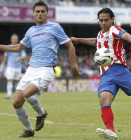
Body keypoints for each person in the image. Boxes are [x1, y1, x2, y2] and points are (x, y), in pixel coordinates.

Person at [0, 1, 80, 138]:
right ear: (33, 14)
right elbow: (18, 48)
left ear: (47, 13)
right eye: (37, 11)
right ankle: (29, 130)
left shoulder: (55, 27)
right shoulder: (31, 31)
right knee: (16, 103)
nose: (40, 14)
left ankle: (41, 113)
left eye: (43, 11)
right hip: (31, 70)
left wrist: (73, 66)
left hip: (45, 70)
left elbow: (70, 46)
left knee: (27, 93)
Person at [71, 8, 131, 140]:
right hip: (106, 73)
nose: (104, 23)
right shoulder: (101, 34)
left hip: (120, 70)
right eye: (101, 20)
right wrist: (78, 40)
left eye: (106, 20)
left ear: (112, 19)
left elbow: (126, 35)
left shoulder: (115, 30)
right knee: (103, 99)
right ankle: (110, 130)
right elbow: (95, 41)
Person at [2, 34, 27, 99]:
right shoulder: (8, 47)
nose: (14, 40)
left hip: (18, 67)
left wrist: (19, 58)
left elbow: (24, 56)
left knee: (17, 81)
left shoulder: (19, 47)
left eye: (15, 39)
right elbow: (5, 57)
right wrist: (4, 66)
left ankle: (17, 95)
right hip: (10, 66)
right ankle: (9, 94)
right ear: (11, 40)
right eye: (13, 39)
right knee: (9, 80)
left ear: (18, 40)